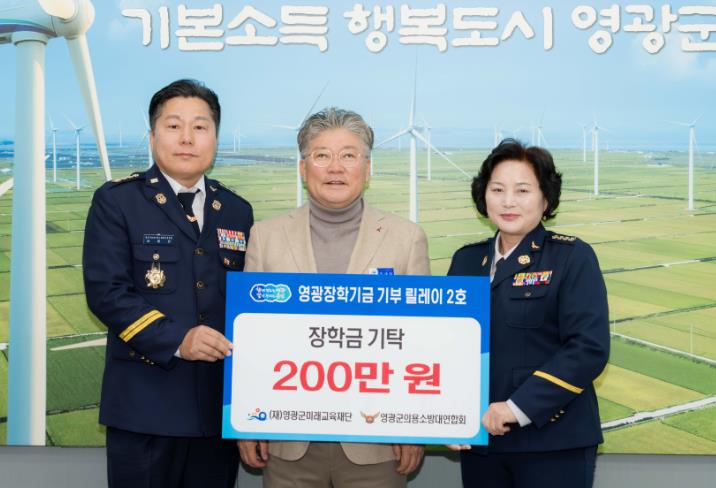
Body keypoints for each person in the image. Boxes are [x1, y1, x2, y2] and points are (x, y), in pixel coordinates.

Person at [238, 107, 427, 487]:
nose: (335, 168)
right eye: (322, 155)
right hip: (287, 440)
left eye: (349, 155)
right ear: (303, 168)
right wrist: (245, 421)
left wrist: (414, 428)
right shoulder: (265, 237)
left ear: (367, 168)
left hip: (377, 443)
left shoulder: (406, 239)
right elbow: (249, 340)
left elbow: (420, 343)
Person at [83, 79, 253, 488]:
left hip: (216, 412)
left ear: (215, 138)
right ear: (152, 136)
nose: (187, 138)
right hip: (145, 408)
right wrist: (179, 340)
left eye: (200, 127)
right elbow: (107, 293)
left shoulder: (236, 210)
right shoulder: (117, 201)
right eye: (174, 126)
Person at [447, 139, 609, 488]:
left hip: (552, 442)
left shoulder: (571, 257)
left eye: (522, 190)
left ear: (545, 198)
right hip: (480, 442)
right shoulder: (466, 261)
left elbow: (588, 348)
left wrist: (517, 407)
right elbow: (449, 347)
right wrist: (447, 416)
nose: (508, 201)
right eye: (497, 189)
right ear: (483, 196)